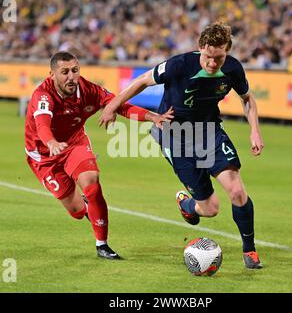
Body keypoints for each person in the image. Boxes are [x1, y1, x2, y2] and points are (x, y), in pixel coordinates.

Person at [99, 23, 265, 269]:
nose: (212, 63)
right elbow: (143, 80)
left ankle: (249, 251)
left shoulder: (232, 69)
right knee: (210, 209)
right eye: (208, 57)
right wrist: (113, 106)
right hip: (175, 136)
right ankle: (187, 205)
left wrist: (255, 130)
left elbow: (247, 99)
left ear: (227, 52)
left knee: (237, 192)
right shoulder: (179, 64)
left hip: (209, 134)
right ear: (201, 48)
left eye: (219, 58)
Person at [24, 51, 173, 260]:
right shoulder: (43, 96)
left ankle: (102, 245)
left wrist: (152, 116)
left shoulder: (89, 90)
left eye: (75, 71)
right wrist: (51, 143)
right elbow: (42, 125)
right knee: (76, 211)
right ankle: (85, 206)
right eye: (64, 72)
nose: (71, 77)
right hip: (43, 156)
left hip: (74, 144)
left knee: (91, 182)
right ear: (52, 74)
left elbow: (119, 105)